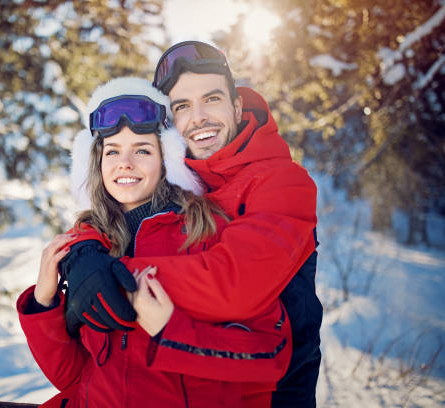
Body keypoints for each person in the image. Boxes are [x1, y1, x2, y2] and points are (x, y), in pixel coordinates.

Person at [61, 42, 323, 407]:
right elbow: (121, 209)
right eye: (182, 106)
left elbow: (234, 283)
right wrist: (83, 248)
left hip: (273, 394)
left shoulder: (282, 182)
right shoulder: (182, 177)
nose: (198, 118)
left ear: (236, 105)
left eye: (211, 99)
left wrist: (113, 274)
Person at [17, 77, 292, 407]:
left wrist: (169, 332)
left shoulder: (207, 232)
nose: (125, 163)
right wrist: (43, 303)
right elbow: (77, 378)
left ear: (167, 159)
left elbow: (270, 355)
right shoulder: (90, 245)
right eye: (112, 151)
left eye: (142, 150)